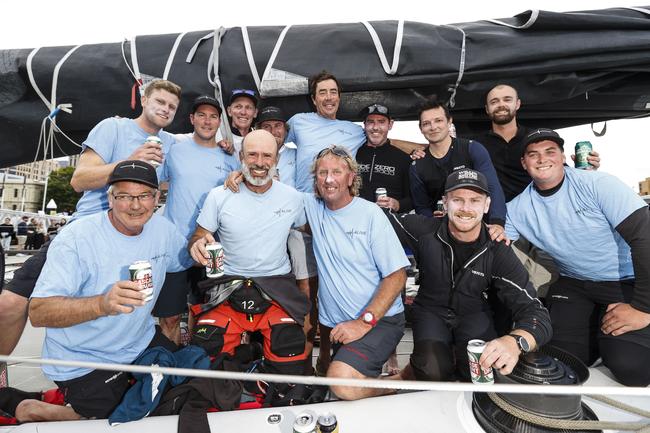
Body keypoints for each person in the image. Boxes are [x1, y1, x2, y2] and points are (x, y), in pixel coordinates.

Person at [0, 79, 181, 355]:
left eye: (172, 106)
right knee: (9, 305)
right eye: (160, 102)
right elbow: (79, 179)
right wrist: (129, 162)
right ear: (144, 100)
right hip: (88, 230)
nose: (166, 109)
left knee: (134, 310)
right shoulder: (113, 127)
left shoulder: (171, 144)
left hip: (132, 234)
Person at [15, 161, 191, 422]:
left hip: (139, 342)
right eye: (124, 196)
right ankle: (32, 407)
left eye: (144, 196)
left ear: (156, 198)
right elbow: (39, 312)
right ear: (110, 198)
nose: (135, 205)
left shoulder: (163, 230)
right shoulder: (77, 238)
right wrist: (102, 304)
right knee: (119, 419)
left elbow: (185, 261)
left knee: (186, 387)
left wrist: (202, 244)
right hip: (83, 359)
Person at [506, 128, 650, 387]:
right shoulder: (516, 209)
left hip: (626, 280)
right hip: (574, 283)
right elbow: (490, 242)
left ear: (564, 157)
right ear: (524, 163)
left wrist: (643, 308)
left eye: (550, 151)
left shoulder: (598, 184)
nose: (542, 159)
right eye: (533, 154)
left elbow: (645, 238)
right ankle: (597, 338)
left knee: (631, 369)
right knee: (561, 362)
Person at [389, 169, 552, 381]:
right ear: (445, 203)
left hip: (473, 314)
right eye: (458, 200)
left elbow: (536, 312)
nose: (466, 208)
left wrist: (515, 342)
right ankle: (428, 363)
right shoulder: (423, 230)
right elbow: (374, 220)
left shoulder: (497, 249)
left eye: (475, 200)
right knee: (431, 372)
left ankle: (457, 358)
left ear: (486, 206)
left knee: (483, 374)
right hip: (430, 311)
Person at [188, 130, 310, 376]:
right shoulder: (219, 195)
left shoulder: (293, 198)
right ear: (241, 156)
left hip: (276, 287)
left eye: (267, 156)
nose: (260, 162)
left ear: (276, 161)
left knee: (290, 355)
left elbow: (320, 224)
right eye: (252, 154)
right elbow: (199, 236)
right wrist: (197, 246)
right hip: (227, 285)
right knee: (208, 360)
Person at [302, 145, 410, 400]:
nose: (329, 179)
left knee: (342, 385)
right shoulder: (311, 208)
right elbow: (267, 191)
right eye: (322, 173)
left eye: (337, 172)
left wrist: (363, 323)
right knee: (335, 380)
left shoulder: (370, 214)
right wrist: (237, 176)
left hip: (379, 321)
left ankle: (403, 380)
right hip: (340, 327)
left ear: (351, 177)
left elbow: (397, 275)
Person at [473, 84, 601, 294]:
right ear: (487, 109)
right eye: (494, 101)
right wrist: (417, 153)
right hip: (502, 228)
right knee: (508, 290)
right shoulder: (476, 145)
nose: (501, 105)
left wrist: (588, 171)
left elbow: (561, 175)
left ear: (518, 104)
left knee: (549, 285)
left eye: (507, 99)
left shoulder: (537, 140)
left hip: (543, 225)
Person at [159, 95, 239, 343]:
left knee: (206, 316)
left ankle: (195, 371)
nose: (207, 121)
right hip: (174, 247)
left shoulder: (230, 158)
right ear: (192, 119)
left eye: (213, 116)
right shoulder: (173, 150)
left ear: (219, 122)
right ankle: (167, 369)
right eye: (201, 115)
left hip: (212, 249)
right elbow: (153, 184)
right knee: (169, 317)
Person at [255, 106, 319, 374]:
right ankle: (266, 354)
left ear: (286, 130)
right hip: (263, 232)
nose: (273, 131)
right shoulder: (252, 156)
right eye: (266, 126)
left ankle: (306, 360)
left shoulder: (298, 154)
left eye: (277, 126)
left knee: (307, 292)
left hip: (296, 231)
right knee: (265, 293)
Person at [410, 99, 507, 242]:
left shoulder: (472, 149)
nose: (433, 127)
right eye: (426, 123)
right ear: (421, 129)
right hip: (442, 232)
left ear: (449, 122)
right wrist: (435, 225)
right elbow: (421, 207)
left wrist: (498, 223)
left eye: (438, 120)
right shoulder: (416, 166)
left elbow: (493, 187)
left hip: (480, 226)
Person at [356, 103, 413, 213]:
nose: (375, 127)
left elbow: (414, 199)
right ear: (364, 125)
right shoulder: (354, 154)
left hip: (389, 222)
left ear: (390, 125)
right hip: (356, 220)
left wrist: (397, 205)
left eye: (381, 122)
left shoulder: (404, 159)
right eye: (370, 122)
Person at [216, 89, 258, 159]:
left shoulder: (260, 138)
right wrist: (214, 148)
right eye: (238, 107)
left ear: (255, 113)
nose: (243, 112)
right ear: (229, 111)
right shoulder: (216, 135)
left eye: (248, 107)